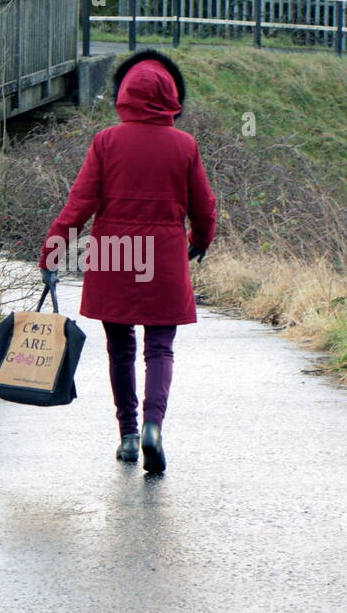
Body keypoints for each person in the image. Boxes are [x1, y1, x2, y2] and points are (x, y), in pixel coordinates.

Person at [39, 50, 217, 474]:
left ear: (125, 96)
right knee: (160, 348)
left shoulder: (107, 141)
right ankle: (156, 426)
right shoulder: (185, 145)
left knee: (120, 348)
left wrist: (53, 251)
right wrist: (200, 240)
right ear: (170, 97)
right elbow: (204, 206)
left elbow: (79, 205)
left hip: (114, 256)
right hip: (165, 257)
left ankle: (129, 435)